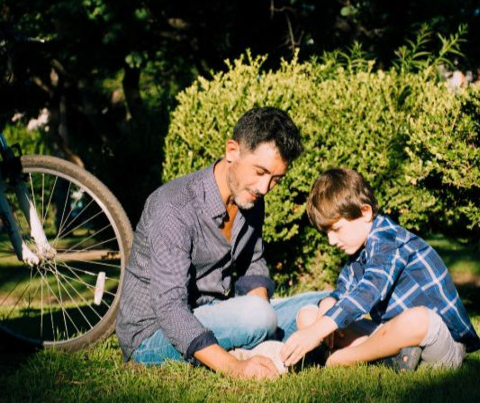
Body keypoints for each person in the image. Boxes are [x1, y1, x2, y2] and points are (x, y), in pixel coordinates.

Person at [116, 107, 328, 380]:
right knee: (260, 316)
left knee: (322, 303)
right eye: (260, 171)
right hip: (152, 334)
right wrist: (235, 366)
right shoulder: (173, 206)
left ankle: (263, 342)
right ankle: (258, 346)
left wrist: (264, 321)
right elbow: (169, 308)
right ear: (232, 151)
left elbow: (253, 263)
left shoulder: (250, 199)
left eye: (276, 179)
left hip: (215, 314)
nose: (264, 188)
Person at [280, 168, 480, 371]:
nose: (331, 240)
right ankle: (391, 358)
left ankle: (337, 359)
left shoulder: (389, 241)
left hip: (439, 342)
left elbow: (369, 291)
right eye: (326, 233)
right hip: (391, 335)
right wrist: (327, 307)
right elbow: (341, 292)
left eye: (336, 229)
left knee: (416, 319)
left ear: (365, 212)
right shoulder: (358, 255)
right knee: (308, 315)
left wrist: (318, 331)